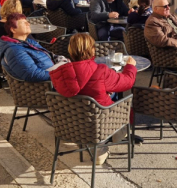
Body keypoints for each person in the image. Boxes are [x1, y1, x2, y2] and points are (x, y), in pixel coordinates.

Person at [49, 33, 137, 164]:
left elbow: (80, 89)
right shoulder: (100, 70)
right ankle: (102, 147)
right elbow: (127, 82)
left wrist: (103, 90)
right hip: (100, 121)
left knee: (100, 97)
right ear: (92, 50)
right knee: (126, 107)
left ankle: (94, 145)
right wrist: (130, 67)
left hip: (71, 122)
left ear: (70, 50)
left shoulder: (61, 73)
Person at [0, 13, 55, 82]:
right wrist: (60, 73)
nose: (28, 24)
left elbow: (47, 55)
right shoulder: (14, 51)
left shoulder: (29, 41)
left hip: (54, 75)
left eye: (27, 22)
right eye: (24, 23)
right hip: (48, 85)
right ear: (13, 30)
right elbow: (33, 75)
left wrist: (60, 60)